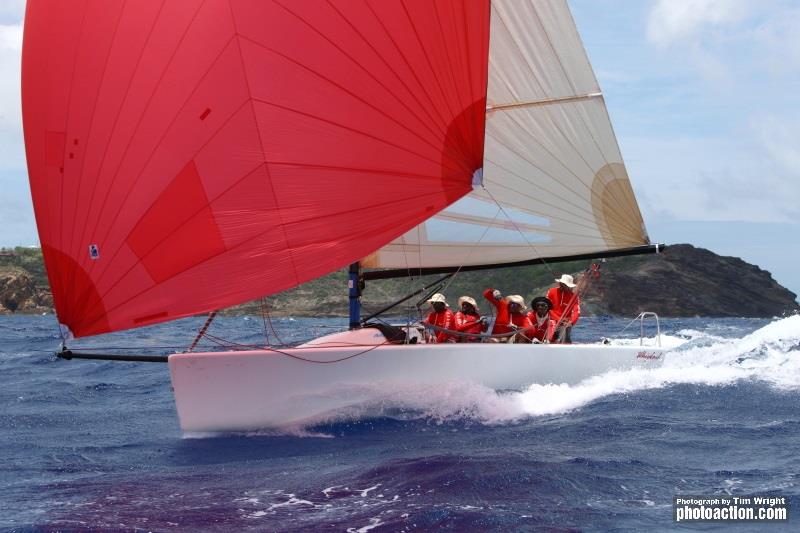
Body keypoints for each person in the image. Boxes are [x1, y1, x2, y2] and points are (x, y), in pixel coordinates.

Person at [547, 274, 581, 344]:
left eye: (565, 284)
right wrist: (558, 319)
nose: (562, 285)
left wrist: (571, 322)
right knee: (550, 338)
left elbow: (576, 311)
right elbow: (547, 307)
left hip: (565, 323)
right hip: (551, 320)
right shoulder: (551, 291)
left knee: (565, 335)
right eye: (561, 283)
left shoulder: (574, 297)